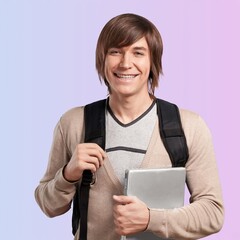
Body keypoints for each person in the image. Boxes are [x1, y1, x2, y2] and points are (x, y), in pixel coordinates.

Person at [34, 13, 224, 240]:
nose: (125, 63)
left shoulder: (189, 126)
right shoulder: (74, 123)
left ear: (153, 62)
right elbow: (48, 205)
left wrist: (150, 219)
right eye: (115, 52)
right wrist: (68, 175)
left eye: (138, 53)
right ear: (102, 60)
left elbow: (213, 213)